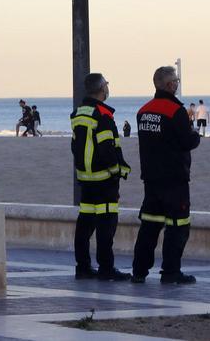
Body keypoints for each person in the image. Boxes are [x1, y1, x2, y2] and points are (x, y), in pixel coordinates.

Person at [132, 66, 200, 284]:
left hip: (151, 178)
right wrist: (196, 135)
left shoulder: (143, 111)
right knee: (178, 226)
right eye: (176, 80)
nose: (177, 83)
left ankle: (139, 271)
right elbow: (187, 141)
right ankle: (171, 272)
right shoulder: (175, 111)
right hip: (174, 179)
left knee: (149, 226)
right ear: (170, 85)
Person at [70, 73, 131, 281]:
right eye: (106, 83)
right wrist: (118, 171)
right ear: (101, 89)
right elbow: (107, 148)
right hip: (104, 180)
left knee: (85, 224)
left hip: (85, 179)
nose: (108, 87)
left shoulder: (79, 113)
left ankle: (83, 267)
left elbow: (76, 145)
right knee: (106, 225)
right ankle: (106, 268)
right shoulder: (103, 115)